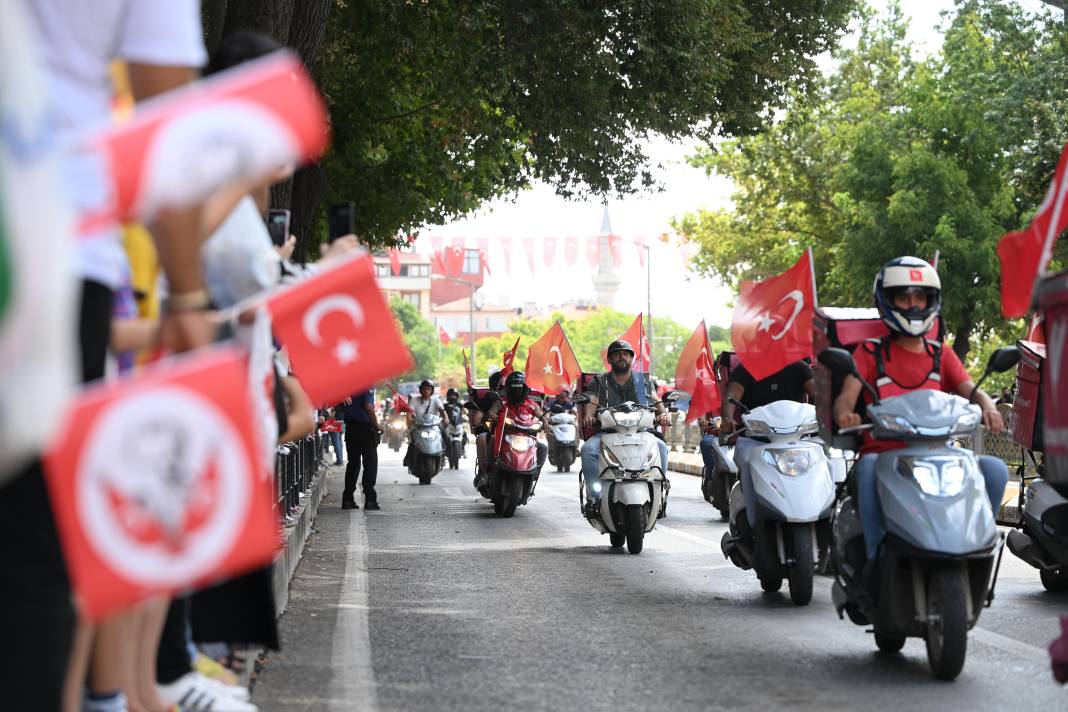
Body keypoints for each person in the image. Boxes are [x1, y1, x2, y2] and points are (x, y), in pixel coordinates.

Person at [832, 256, 1008, 568]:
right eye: (904, 296)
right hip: (884, 454)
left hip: (940, 456)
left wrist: (989, 405)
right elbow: (846, 398)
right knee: (868, 468)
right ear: (888, 300)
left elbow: (971, 388)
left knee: (994, 471)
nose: (913, 305)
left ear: (931, 302)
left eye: (920, 297)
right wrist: (846, 413)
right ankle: (875, 557)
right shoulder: (870, 351)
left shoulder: (941, 352)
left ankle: (977, 552)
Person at [716, 359, 815, 526]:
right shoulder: (746, 368)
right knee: (746, 459)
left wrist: (831, 412)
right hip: (755, 440)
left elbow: (819, 393)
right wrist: (727, 419)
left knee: (825, 456)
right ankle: (753, 521)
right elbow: (731, 397)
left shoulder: (799, 367)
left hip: (796, 440)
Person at [579, 340, 670, 513]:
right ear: (610, 359)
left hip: (641, 431)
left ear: (631, 358)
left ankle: (659, 489)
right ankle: (595, 496)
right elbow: (592, 401)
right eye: (617, 354)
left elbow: (655, 398)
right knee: (588, 450)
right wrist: (589, 416)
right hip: (607, 432)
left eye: (626, 354)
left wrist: (663, 414)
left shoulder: (643, 381)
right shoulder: (599, 381)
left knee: (661, 447)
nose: (622, 357)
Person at [336, 389, 382, 510]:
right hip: (366, 429)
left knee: (353, 465)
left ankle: (347, 499)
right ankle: (370, 500)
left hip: (351, 429)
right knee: (370, 464)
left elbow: (339, 408)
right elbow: (368, 406)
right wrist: (377, 425)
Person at [404, 379, 447, 467]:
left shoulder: (436, 400)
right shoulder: (414, 400)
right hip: (418, 426)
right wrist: (409, 421)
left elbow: (442, 411)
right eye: (424, 389)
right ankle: (409, 458)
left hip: (434, 426)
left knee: (443, 435)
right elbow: (409, 413)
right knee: (412, 439)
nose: (426, 391)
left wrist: (446, 419)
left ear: (432, 390)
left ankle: (443, 456)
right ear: (420, 390)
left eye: (428, 389)